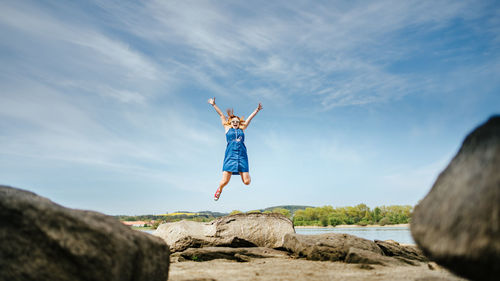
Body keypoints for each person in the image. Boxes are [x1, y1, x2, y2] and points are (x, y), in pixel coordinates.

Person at [208, 97, 263, 201]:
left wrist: (256, 110)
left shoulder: (242, 129)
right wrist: (213, 104)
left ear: (239, 123)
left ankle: (244, 172)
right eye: (233, 121)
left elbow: (249, 119)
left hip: (242, 156)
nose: (235, 122)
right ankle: (219, 189)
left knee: (247, 182)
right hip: (230, 156)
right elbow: (221, 115)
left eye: (237, 121)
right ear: (230, 122)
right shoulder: (227, 128)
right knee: (224, 181)